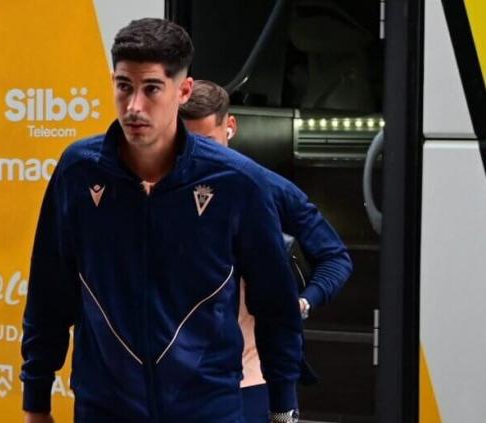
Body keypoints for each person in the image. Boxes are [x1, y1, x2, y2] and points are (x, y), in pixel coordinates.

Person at [22, 18, 305, 423]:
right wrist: (36, 401)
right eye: (124, 87)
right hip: (105, 407)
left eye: (151, 88)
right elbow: (50, 291)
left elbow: (275, 305)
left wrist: (281, 408)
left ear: (183, 90)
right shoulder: (78, 172)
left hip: (208, 407)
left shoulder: (236, 182)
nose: (134, 106)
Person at [180, 80, 353, 422]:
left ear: (230, 127)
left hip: (251, 377)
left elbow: (335, 256)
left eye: (208, 144)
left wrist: (305, 300)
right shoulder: (159, 191)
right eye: (185, 145)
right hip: (177, 375)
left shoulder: (265, 187)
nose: (198, 158)